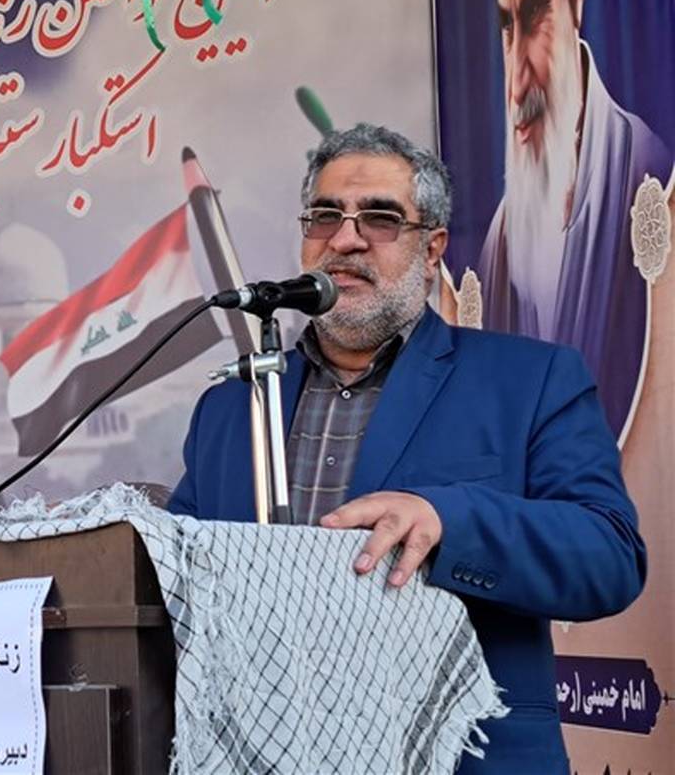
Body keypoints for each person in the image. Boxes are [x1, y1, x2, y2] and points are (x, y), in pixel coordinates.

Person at [168, 124, 646, 773]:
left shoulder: (530, 380)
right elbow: (180, 587)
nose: (345, 239)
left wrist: (449, 520)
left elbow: (609, 557)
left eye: (381, 218)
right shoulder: (230, 409)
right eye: (325, 215)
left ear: (432, 249)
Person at [477, 0, 672, 436]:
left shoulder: (650, 176)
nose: (517, 82)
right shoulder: (498, 240)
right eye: (507, 27)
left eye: (535, 14)